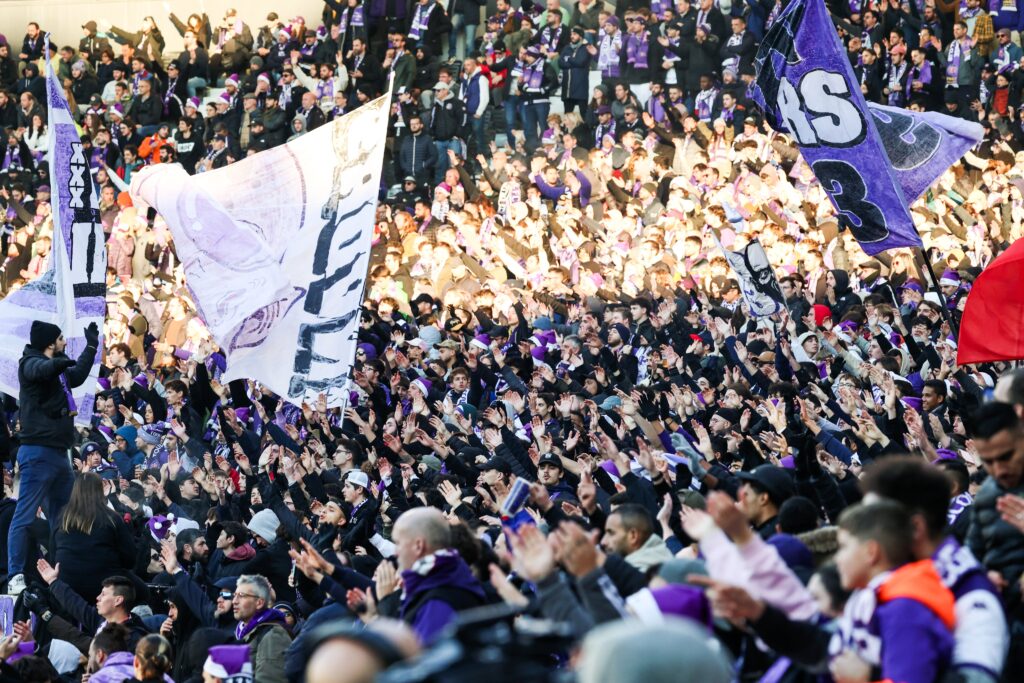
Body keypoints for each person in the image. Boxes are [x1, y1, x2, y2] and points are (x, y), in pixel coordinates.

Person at [7, 320, 99, 595]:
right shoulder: (30, 363)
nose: (64, 343)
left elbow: (79, 373)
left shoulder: (58, 368)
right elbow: (43, 369)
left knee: (62, 518)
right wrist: (61, 362)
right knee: (23, 514)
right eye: (61, 339)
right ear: (49, 343)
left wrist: (91, 346)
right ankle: (15, 575)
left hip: (60, 455)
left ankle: (63, 569)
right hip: (37, 453)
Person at [391, 507, 486, 644]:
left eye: (398, 543)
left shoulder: (437, 604)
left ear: (418, 546)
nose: (395, 553)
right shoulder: (451, 574)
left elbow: (424, 661)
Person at [231, 574, 291, 683]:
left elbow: (271, 680)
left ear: (259, 603)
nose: (234, 601)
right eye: (234, 595)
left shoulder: (274, 635)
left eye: (241, 595)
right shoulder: (242, 633)